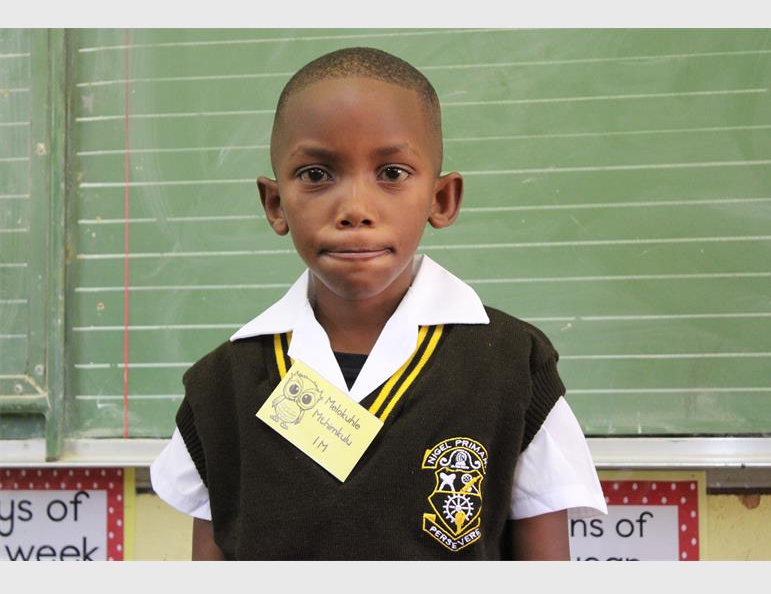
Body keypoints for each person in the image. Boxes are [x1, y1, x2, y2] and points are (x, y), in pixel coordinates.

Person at [150, 46, 606, 560]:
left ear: (442, 200)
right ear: (275, 204)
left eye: (391, 172)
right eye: (316, 174)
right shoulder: (221, 388)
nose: (355, 209)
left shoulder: (513, 367)